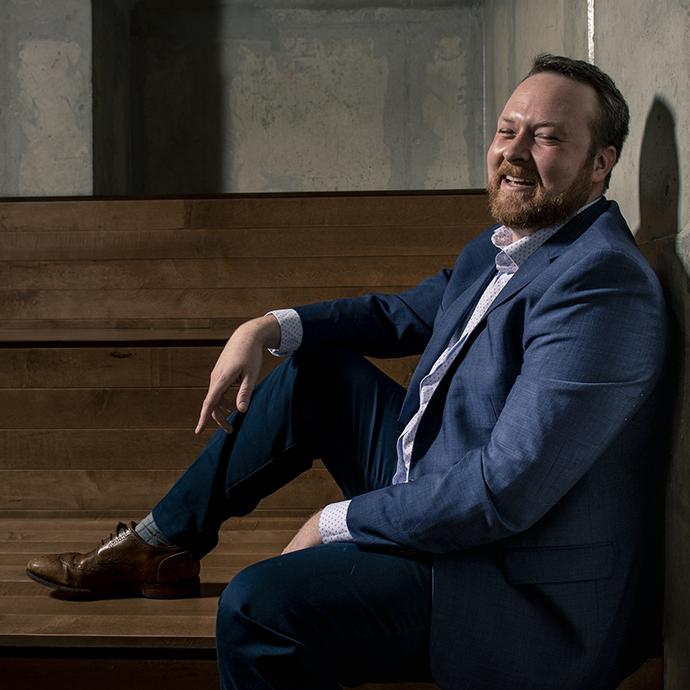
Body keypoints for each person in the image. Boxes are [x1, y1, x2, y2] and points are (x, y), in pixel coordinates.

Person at [26, 54, 667, 690]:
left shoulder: (599, 283)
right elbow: (400, 314)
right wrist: (268, 327)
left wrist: (338, 519)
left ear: (601, 162)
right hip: (451, 496)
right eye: (507, 130)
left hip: (506, 579)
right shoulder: (512, 246)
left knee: (259, 607)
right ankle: (159, 546)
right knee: (318, 374)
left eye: (548, 136)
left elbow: (505, 490)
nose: (515, 151)